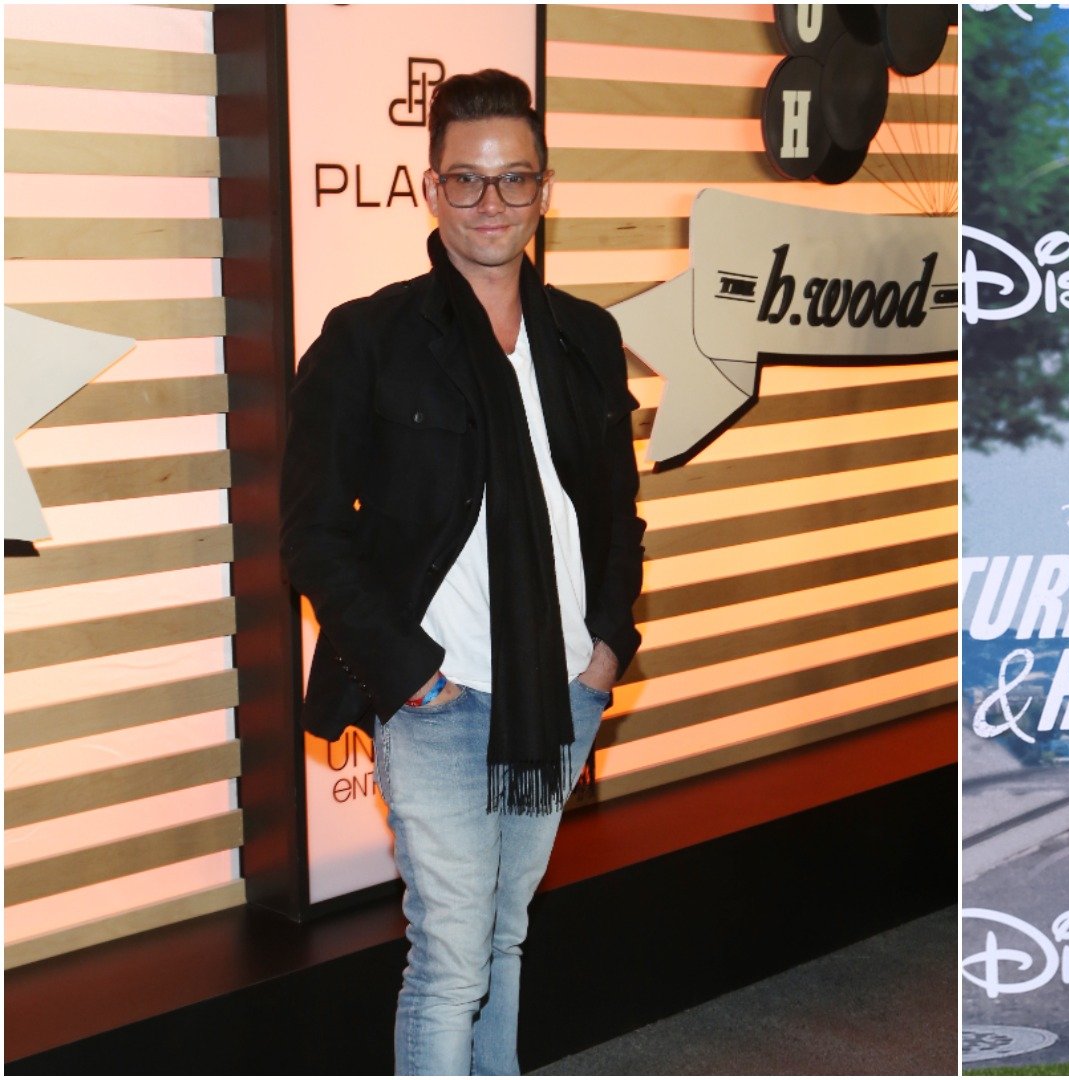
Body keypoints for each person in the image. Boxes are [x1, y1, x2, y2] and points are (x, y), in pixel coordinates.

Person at [281, 69, 642, 1075]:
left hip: (559, 695)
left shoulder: (586, 337)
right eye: (469, 182)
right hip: (438, 702)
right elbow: (312, 534)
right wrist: (408, 677)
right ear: (431, 188)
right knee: (449, 960)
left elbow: (616, 514)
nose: (493, 205)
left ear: (545, 188)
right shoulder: (369, 340)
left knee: (504, 939)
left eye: (514, 180)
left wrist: (606, 647)